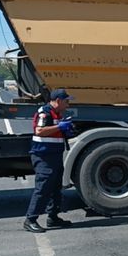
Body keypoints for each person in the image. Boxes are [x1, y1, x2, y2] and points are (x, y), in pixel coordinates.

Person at [24, 89, 75, 233]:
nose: (68, 105)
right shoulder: (44, 112)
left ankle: (53, 217)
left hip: (54, 154)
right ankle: (30, 219)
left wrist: (66, 130)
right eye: (66, 101)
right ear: (58, 101)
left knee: (55, 187)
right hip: (43, 155)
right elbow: (39, 131)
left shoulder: (57, 113)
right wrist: (59, 127)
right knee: (43, 187)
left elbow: (52, 131)